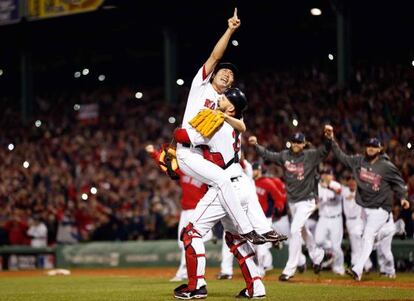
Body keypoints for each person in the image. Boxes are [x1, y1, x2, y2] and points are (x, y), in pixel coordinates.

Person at [174, 88, 286, 299]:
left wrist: (175, 136)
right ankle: (256, 287)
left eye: (224, 98)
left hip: (225, 187)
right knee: (236, 239)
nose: (219, 98)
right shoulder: (234, 124)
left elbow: (182, 135)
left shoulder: (218, 124)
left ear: (232, 108)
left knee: (191, 233)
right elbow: (240, 123)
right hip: (241, 183)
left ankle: (196, 286)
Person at [175, 8, 262, 242]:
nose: (227, 74)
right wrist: (230, 30)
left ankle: (235, 232)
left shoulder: (225, 105)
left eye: (231, 76)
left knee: (223, 187)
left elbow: (240, 127)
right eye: (223, 71)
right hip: (187, 151)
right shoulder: (201, 86)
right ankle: (246, 229)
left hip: (201, 155)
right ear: (213, 75)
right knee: (223, 181)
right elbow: (214, 57)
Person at [325, 128, 410, 281]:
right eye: (368, 146)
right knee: (366, 237)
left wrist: (403, 198)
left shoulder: (386, 166)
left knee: (369, 236)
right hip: (365, 210)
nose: (370, 148)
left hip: (381, 209)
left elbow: (399, 184)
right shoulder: (359, 161)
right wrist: (331, 140)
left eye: (374, 146)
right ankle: (395, 229)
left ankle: (358, 269)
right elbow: (342, 157)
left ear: (380, 149)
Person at [248, 127, 332, 281]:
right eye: (294, 141)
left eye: (299, 142)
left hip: (307, 200)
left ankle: (290, 269)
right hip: (293, 202)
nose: (296, 144)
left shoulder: (310, 156)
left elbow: (325, 150)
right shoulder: (285, 156)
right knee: (303, 231)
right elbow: (268, 155)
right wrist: (256, 146)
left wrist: (329, 138)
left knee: (294, 230)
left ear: (304, 144)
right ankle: (318, 255)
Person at [145, 144, 212, 282]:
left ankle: (183, 273)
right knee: (182, 244)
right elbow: (166, 166)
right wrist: (154, 153)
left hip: (198, 210)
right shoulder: (185, 170)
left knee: (188, 241)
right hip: (186, 211)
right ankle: (208, 236)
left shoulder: (207, 172)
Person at [252, 162, 286, 276]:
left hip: (265, 219)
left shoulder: (267, 182)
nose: (253, 172)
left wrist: (278, 207)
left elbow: (279, 197)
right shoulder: (249, 182)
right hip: (253, 217)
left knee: (261, 245)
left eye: (255, 170)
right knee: (255, 245)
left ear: (259, 170)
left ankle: (260, 269)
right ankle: (271, 247)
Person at [314, 168, 345, 275]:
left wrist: (327, 187)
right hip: (323, 218)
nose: (326, 176)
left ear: (332, 176)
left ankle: (339, 267)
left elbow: (339, 192)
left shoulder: (336, 185)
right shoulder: (318, 186)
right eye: (324, 174)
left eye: (328, 174)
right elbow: (317, 201)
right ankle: (331, 250)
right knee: (318, 240)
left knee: (337, 246)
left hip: (336, 219)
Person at [341, 178, 373, 272]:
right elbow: (337, 187)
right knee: (357, 243)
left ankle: (356, 264)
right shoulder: (345, 191)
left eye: (354, 182)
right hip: (349, 221)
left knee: (357, 242)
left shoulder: (360, 192)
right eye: (350, 182)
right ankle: (367, 265)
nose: (352, 184)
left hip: (358, 220)